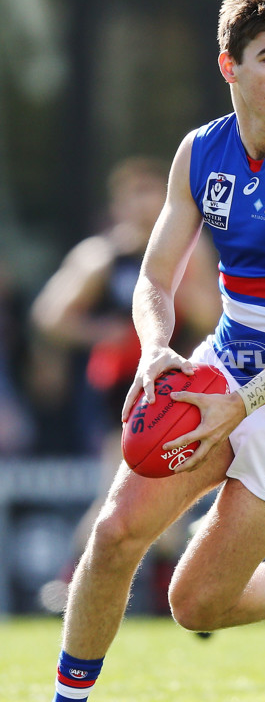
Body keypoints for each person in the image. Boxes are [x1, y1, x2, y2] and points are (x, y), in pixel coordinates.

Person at [0, 0, 265, 702]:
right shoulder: (200, 152)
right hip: (223, 366)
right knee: (113, 534)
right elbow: (152, 279)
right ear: (229, 67)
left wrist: (242, 405)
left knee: (194, 602)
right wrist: (156, 345)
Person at [29, 156, 223, 615]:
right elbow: (50, 315)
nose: (144, 205)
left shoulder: (191, 252)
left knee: (166, 499)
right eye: (133, 195)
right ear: (118, 204)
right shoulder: (103, 256)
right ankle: (72, 584)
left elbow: (213, 317)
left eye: (152, 194)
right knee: (115, 493)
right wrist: (102, 332)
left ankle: (167, 596)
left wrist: (179, 285)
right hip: (123, 391)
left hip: (181, 389)